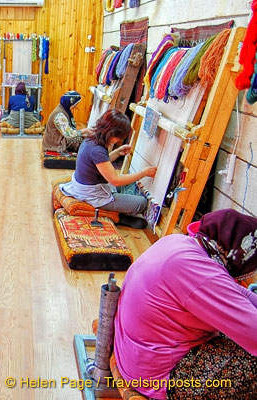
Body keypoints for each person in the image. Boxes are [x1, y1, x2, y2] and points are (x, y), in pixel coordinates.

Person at [113, 209, 257, 400]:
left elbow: (237, 293)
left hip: (135, 357)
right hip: (158, 378)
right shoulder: (203, 276)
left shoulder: (179, 243)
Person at [60, 108, 156, 228]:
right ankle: (117, 217)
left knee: (128, 183)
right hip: (91, 194)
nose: (119, 141)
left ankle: (117, 211)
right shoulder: (97, 150)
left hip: (86, 185)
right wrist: (143, 173)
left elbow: (100, 163)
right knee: (141, 203)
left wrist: (117, 152)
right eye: (119, 138)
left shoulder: (92, 138)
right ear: (112, 134)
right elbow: (115, 180)